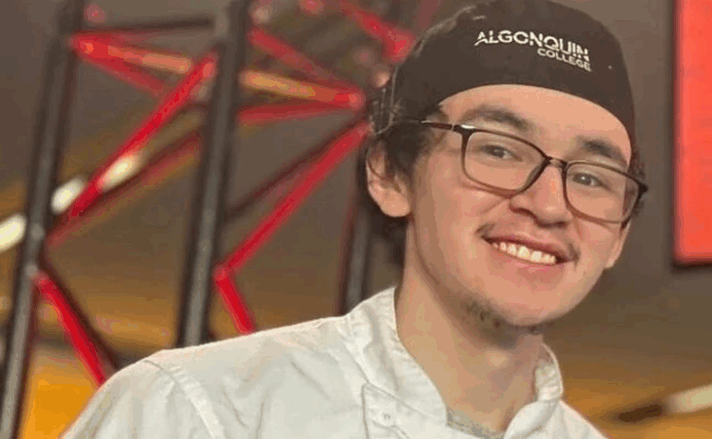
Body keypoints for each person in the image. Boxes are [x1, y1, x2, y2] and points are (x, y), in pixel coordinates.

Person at [60, 0, 646, 437]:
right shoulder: (199, 413)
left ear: (618, 234)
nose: (547, 205)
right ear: (390, 174)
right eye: (497, 149)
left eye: (592, 177)